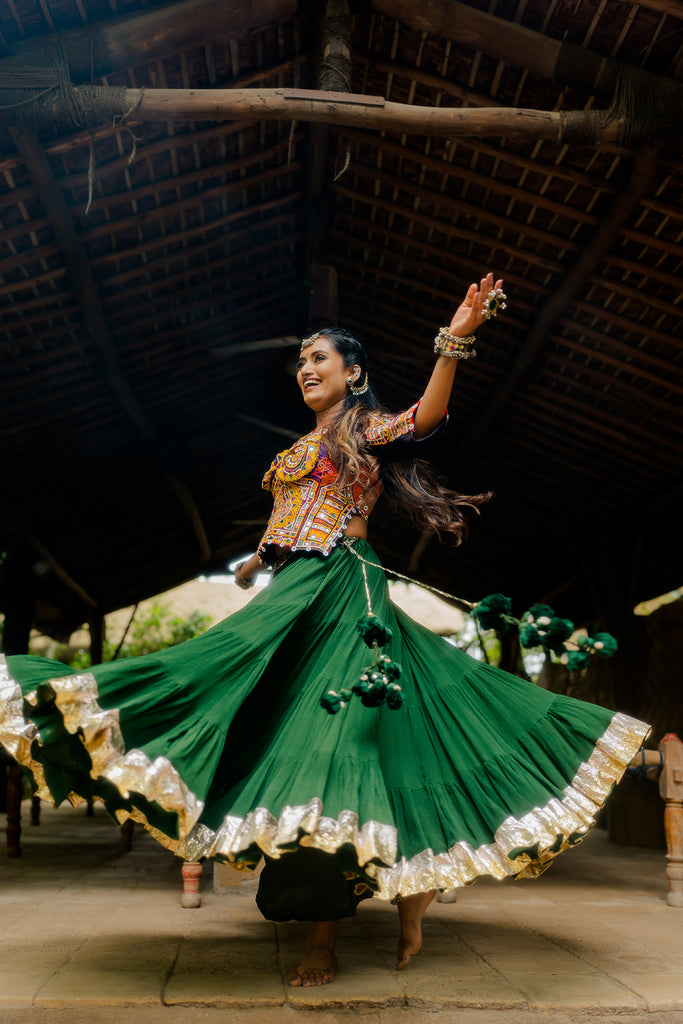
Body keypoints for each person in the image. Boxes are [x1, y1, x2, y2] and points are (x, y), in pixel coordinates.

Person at [0, 274, 649, 989]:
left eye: (319, 359)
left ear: (353, 373)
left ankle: (337, 935)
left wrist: (454, 337)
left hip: (345, 588)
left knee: (335, 743)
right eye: (301, 362)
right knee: (217, 680)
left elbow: (426, 417)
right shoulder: (299, 446)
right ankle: (76, 707)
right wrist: (258, 559)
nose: (306, 369)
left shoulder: (361, 428)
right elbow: (289, 520)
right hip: (293, 588)